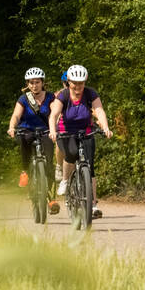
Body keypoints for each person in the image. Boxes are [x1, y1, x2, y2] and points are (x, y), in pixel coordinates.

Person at [47, 64, 113, 219]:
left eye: (81, 83)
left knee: (89, 166)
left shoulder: (90, 94)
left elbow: (99, 110)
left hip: (86, 132)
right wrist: (52, 130)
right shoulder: (63, 96)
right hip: (65, 132)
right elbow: (54, 115)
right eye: (74, 83)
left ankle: (91, 203)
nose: (78, 86)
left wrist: (105, 127)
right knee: (72, 153)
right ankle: (64, 181)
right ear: (69, 82)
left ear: (85, 81)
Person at [6, 67, 60, 214]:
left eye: (37, 82)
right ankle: (25, 172)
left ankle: (51, 198)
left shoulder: (50, 97)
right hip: (27, 130)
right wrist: (12, 127)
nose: (34, 85)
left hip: (45, 131)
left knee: (49, 164)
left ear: (42, 82)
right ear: (27, 84)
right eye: (31, 82)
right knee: (23, 141)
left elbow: (54, 112)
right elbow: (16, 115)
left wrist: (54, 127)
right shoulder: (24, 98)